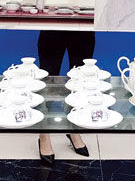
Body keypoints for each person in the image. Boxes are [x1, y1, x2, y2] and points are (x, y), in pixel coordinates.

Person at [36, 30, 93, 165]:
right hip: (53, 23)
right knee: (48, 78)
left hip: (83, 24)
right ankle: (44, 134)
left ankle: (74, 129)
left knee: (80, 78)